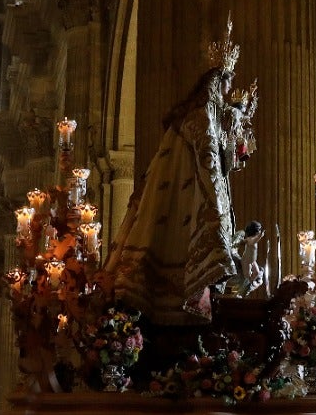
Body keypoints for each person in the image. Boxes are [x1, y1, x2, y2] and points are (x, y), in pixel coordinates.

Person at [102, 20, 259, 323]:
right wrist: (216, 209)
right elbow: (208, 161)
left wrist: (234, 144)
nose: (228, 92)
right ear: (217, 83)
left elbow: (220, 159)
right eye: (227, 85)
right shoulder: (201, 117)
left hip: (187, 194)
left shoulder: (200, 116)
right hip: (190, 194)